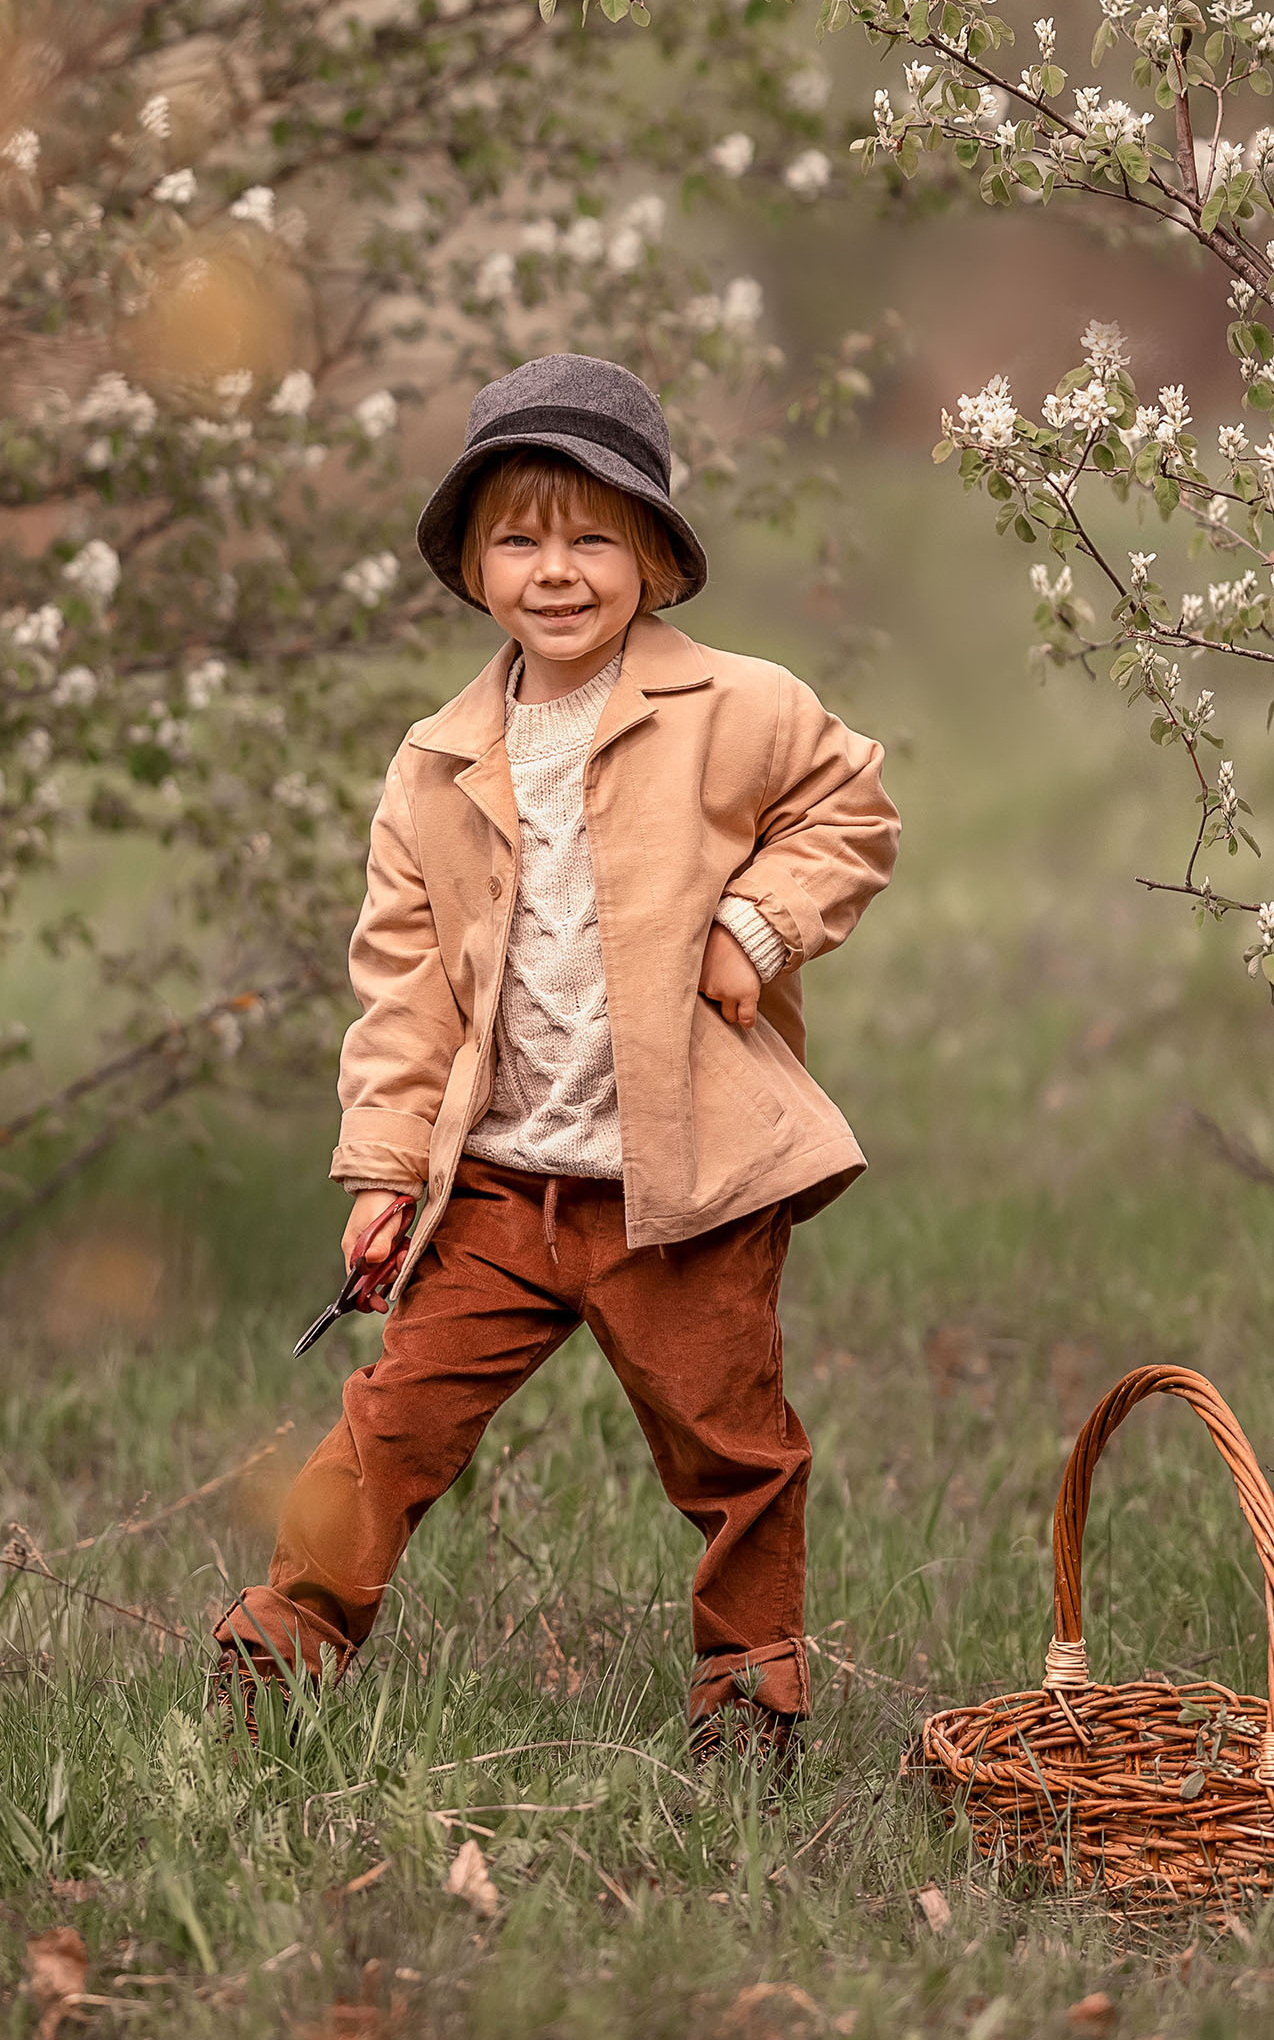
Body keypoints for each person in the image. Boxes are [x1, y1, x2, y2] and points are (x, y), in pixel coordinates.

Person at [213, 352, 900, 1751]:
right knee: (390, 1422)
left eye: (594, 533)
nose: (558, 568)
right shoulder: (437, 762)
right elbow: (405, 989)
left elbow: (853, 807)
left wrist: (757, 932)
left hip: (681, 1189)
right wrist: (387, 1172)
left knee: (734, 1451)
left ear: (654, 551)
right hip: (504, 1189)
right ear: (471, 563)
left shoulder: (738, 706)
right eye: (518, 536)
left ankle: (749, 1698)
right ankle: (286, 1641)